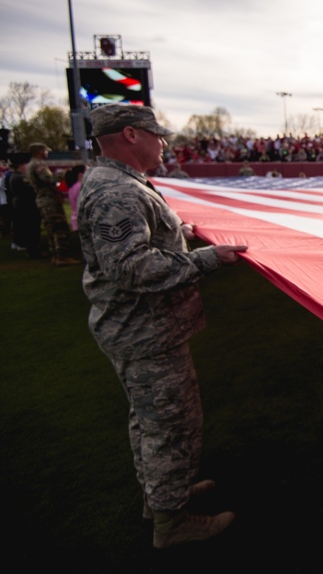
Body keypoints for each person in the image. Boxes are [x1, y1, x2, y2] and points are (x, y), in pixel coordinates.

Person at [78, 104, 248, 549]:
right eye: (158, 135)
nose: (165, 143)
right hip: (145, 331)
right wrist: (208, 259)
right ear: (131, 135)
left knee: (150, 420)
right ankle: (171, 523)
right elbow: (131, 267)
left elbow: (142, 239)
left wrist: (180, 229)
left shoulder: (116, 182)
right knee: (170, 425)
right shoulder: (117, 190)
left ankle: (161, 496)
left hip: (141, 329)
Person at [27, 143, 79, 265]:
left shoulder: (31, 164)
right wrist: (65, 173)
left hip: (43, 199)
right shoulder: (38, 164)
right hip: (49, 200)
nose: (47, 153)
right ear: (40, 151)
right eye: (45, 151)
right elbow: (49, 179)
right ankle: (62, 256)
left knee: (52, 228)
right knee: (59, 227)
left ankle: (56, 255)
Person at [64, 164, 87, 231]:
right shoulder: (80, 187)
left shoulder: (73, 187)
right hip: (82, 221)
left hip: (75, 221)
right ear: (80, 174)